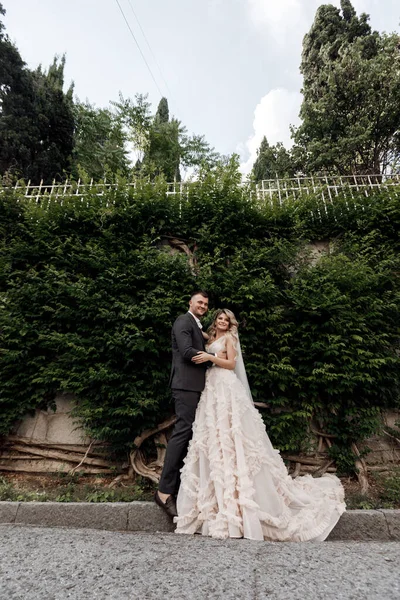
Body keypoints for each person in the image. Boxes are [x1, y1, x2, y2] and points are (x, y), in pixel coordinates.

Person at [174, 309, 346, 541]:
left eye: (226, 319)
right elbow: (197, 332)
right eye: (220, 318)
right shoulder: (212, 337)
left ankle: (242, 497)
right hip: (211, 389)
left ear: (231, 323)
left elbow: (231, 364)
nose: (223, 321)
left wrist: (210, 358)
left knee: (233, 433)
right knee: (214, 436)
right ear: (216, 321)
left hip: (225, 386)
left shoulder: (229, 339)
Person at [155, 291, 225, 518]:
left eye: (206, 303)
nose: (203, 305)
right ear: (190, 303)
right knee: (182, 432)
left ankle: (179, 487)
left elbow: (198, 339)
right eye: (199, 302)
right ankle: (164, 491)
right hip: (185, 386)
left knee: (190, 434)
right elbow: (186, 351)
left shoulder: (194, 325)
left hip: (194, 386)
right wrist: (210, 357)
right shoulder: (183, 321)